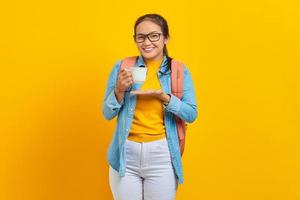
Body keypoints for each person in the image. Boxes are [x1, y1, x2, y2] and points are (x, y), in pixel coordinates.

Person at [102, 13, 197, 200]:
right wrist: (119, 90)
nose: (147, 42)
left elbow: (191, 114)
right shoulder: (122, 67)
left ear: (165, 38)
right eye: (141, 37)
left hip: (162, 155)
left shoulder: (178, 71)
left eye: (154, 36)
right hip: (125, 155)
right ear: (135, 39)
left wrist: (165, 97)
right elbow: (107, 113)